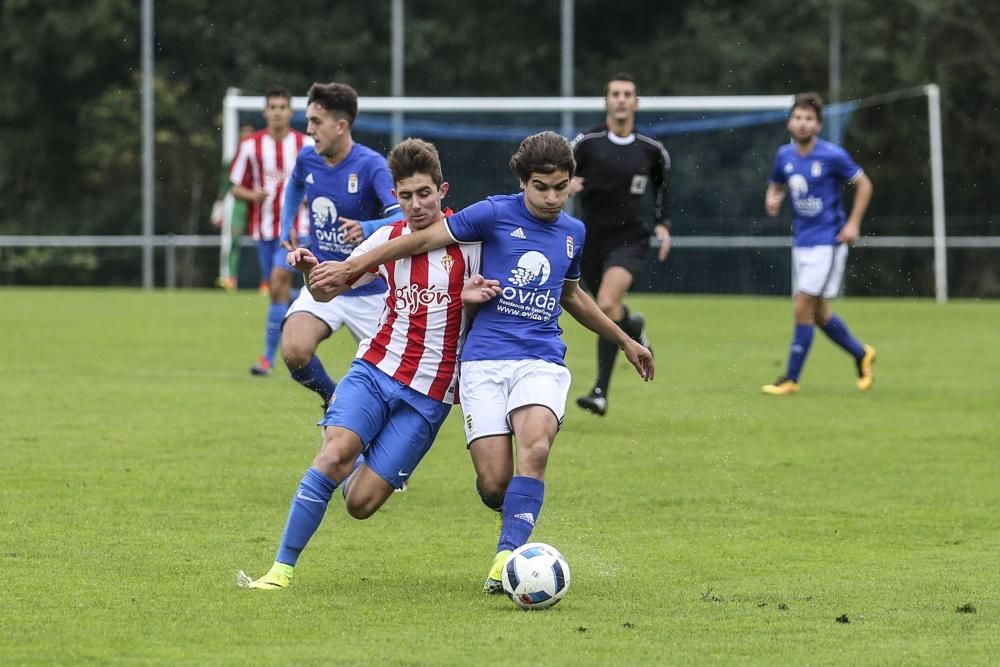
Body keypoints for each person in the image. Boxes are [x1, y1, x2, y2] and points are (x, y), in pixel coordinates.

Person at [308, 131, 655, 594]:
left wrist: (625, 339)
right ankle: (509, 514)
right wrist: (352, 268)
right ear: (523, 182)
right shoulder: (492, 213)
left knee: (536, 449)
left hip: (541, 359)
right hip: (484, 362)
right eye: (541, 187)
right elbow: (420, 240)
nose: (552, 197)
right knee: (495, 484)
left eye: (561, 186)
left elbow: (572, 294)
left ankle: (505, 562)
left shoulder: (574, 232)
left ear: (573, 182)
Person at [238, 138, 496, 590]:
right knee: (334, 453)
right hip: (375, 369)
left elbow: (494, 306)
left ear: (443, 190)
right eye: (405, 195)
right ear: (394, 197)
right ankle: (279, 570)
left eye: (424, 194)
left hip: (429, 395)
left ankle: (364, 453)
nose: (415, 205)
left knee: (359, 503)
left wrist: (474, 304)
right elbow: (327, 291)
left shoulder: (472, 243)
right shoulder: (386, 240)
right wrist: (309, 272)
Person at [276, 81, 403, 406]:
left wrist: (368, 227)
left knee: (394, 382)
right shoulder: (308, 159)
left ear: (341, 125)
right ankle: (333, 399)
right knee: (294, 350)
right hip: (323, 278)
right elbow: (294, 186)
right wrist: (286, 222)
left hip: (371, 289)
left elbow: (402, 214)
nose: (309, 130)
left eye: (316, 122)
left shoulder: (372, 165)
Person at [569, 72, 672, 417]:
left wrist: (663, 225)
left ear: (636, 102)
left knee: (606, 302)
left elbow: (662, 189)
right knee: (607, 311)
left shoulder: (651, 149)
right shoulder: (586, 142)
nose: (621, 99)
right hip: (590, 240)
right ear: (607, 100)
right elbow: (559, 175)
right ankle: (634, 327)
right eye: (615, 93)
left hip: (630, 239)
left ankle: (600, 391)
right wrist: (566, 185)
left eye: (628, 93)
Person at [762, 92, 876, 395]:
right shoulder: (783, 156)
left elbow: (864, 185)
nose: (802, 124)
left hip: (829, 241)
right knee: (819, 313)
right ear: (790, 122)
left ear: (818, 125)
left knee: (802, 305)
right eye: (798, 117)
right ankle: (862, 354)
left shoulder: (832, 155)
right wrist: (773, 200)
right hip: (802, 241)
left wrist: (853, 224)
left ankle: (791, 379)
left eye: (809, 119)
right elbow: (775, 186)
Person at [229, 85, 313, 374]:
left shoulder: (305, 144)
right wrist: (253, 195)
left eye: (282, 107)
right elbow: (235, 187)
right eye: (272, 107)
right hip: (263, 230)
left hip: (297, 230)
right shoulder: (251, 146)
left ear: (290, 111)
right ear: (266, 111)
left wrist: (308, 196)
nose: (277, 113)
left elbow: (321, 181)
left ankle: (267, 360)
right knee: (279, 292)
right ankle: (310, 304)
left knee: (277, 285)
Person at [211, 123, 254, 291]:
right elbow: (225, 186)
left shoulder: (263, 158)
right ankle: (230, 278)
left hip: (258, 206)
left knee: (264, 241)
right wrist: (217, 211)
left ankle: (267, 281)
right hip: (240, 205)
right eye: (243, 137)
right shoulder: (232, 161)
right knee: (234, 241)